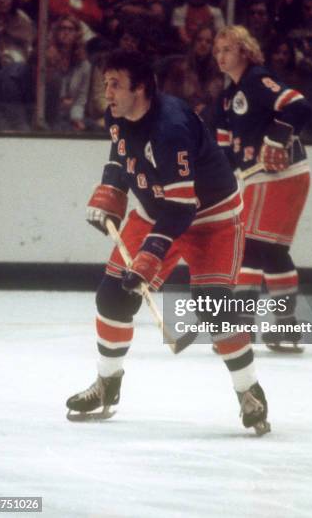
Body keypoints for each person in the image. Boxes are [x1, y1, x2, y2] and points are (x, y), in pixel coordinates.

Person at [66, 49, 269, 434]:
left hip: (210, 218)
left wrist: (148, 257)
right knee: (112, 297)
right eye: (105, 83)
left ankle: (249, 391)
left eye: (115, 85)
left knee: (214, 308)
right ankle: (107, 384)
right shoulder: (118, 112)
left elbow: (182, 208)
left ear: (140, 89)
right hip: (156, 209)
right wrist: (112, 190)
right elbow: (120, 152)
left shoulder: (170, 127)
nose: (106, 92)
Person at [213, 25, 311, 351]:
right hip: (281, 176)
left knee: (248, 249)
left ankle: (240, 328)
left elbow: (299, 106)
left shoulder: (257, 80)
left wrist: (276, 136)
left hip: (275, 175)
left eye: (227, 48)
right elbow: (224, 149)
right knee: (273, 252)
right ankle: (286, 327)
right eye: (217, 51)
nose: (220, 55)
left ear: (244, 50)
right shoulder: (227, 98)